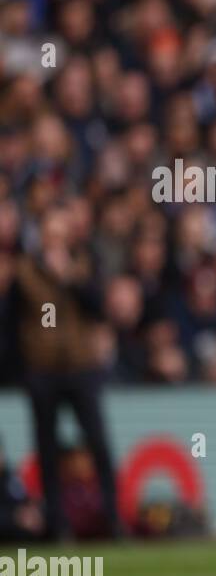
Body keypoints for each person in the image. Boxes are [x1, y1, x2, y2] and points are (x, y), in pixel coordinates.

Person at [11, 208, 123, 542]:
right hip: (42, 371)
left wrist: (71, 277)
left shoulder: (83, 266)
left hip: (79, 367)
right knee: (47, 451)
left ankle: (112, 520)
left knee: (98, 444)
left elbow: (97, 307)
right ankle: (57, 525)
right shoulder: (25, 271)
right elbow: (13, 324)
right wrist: (23, 371)